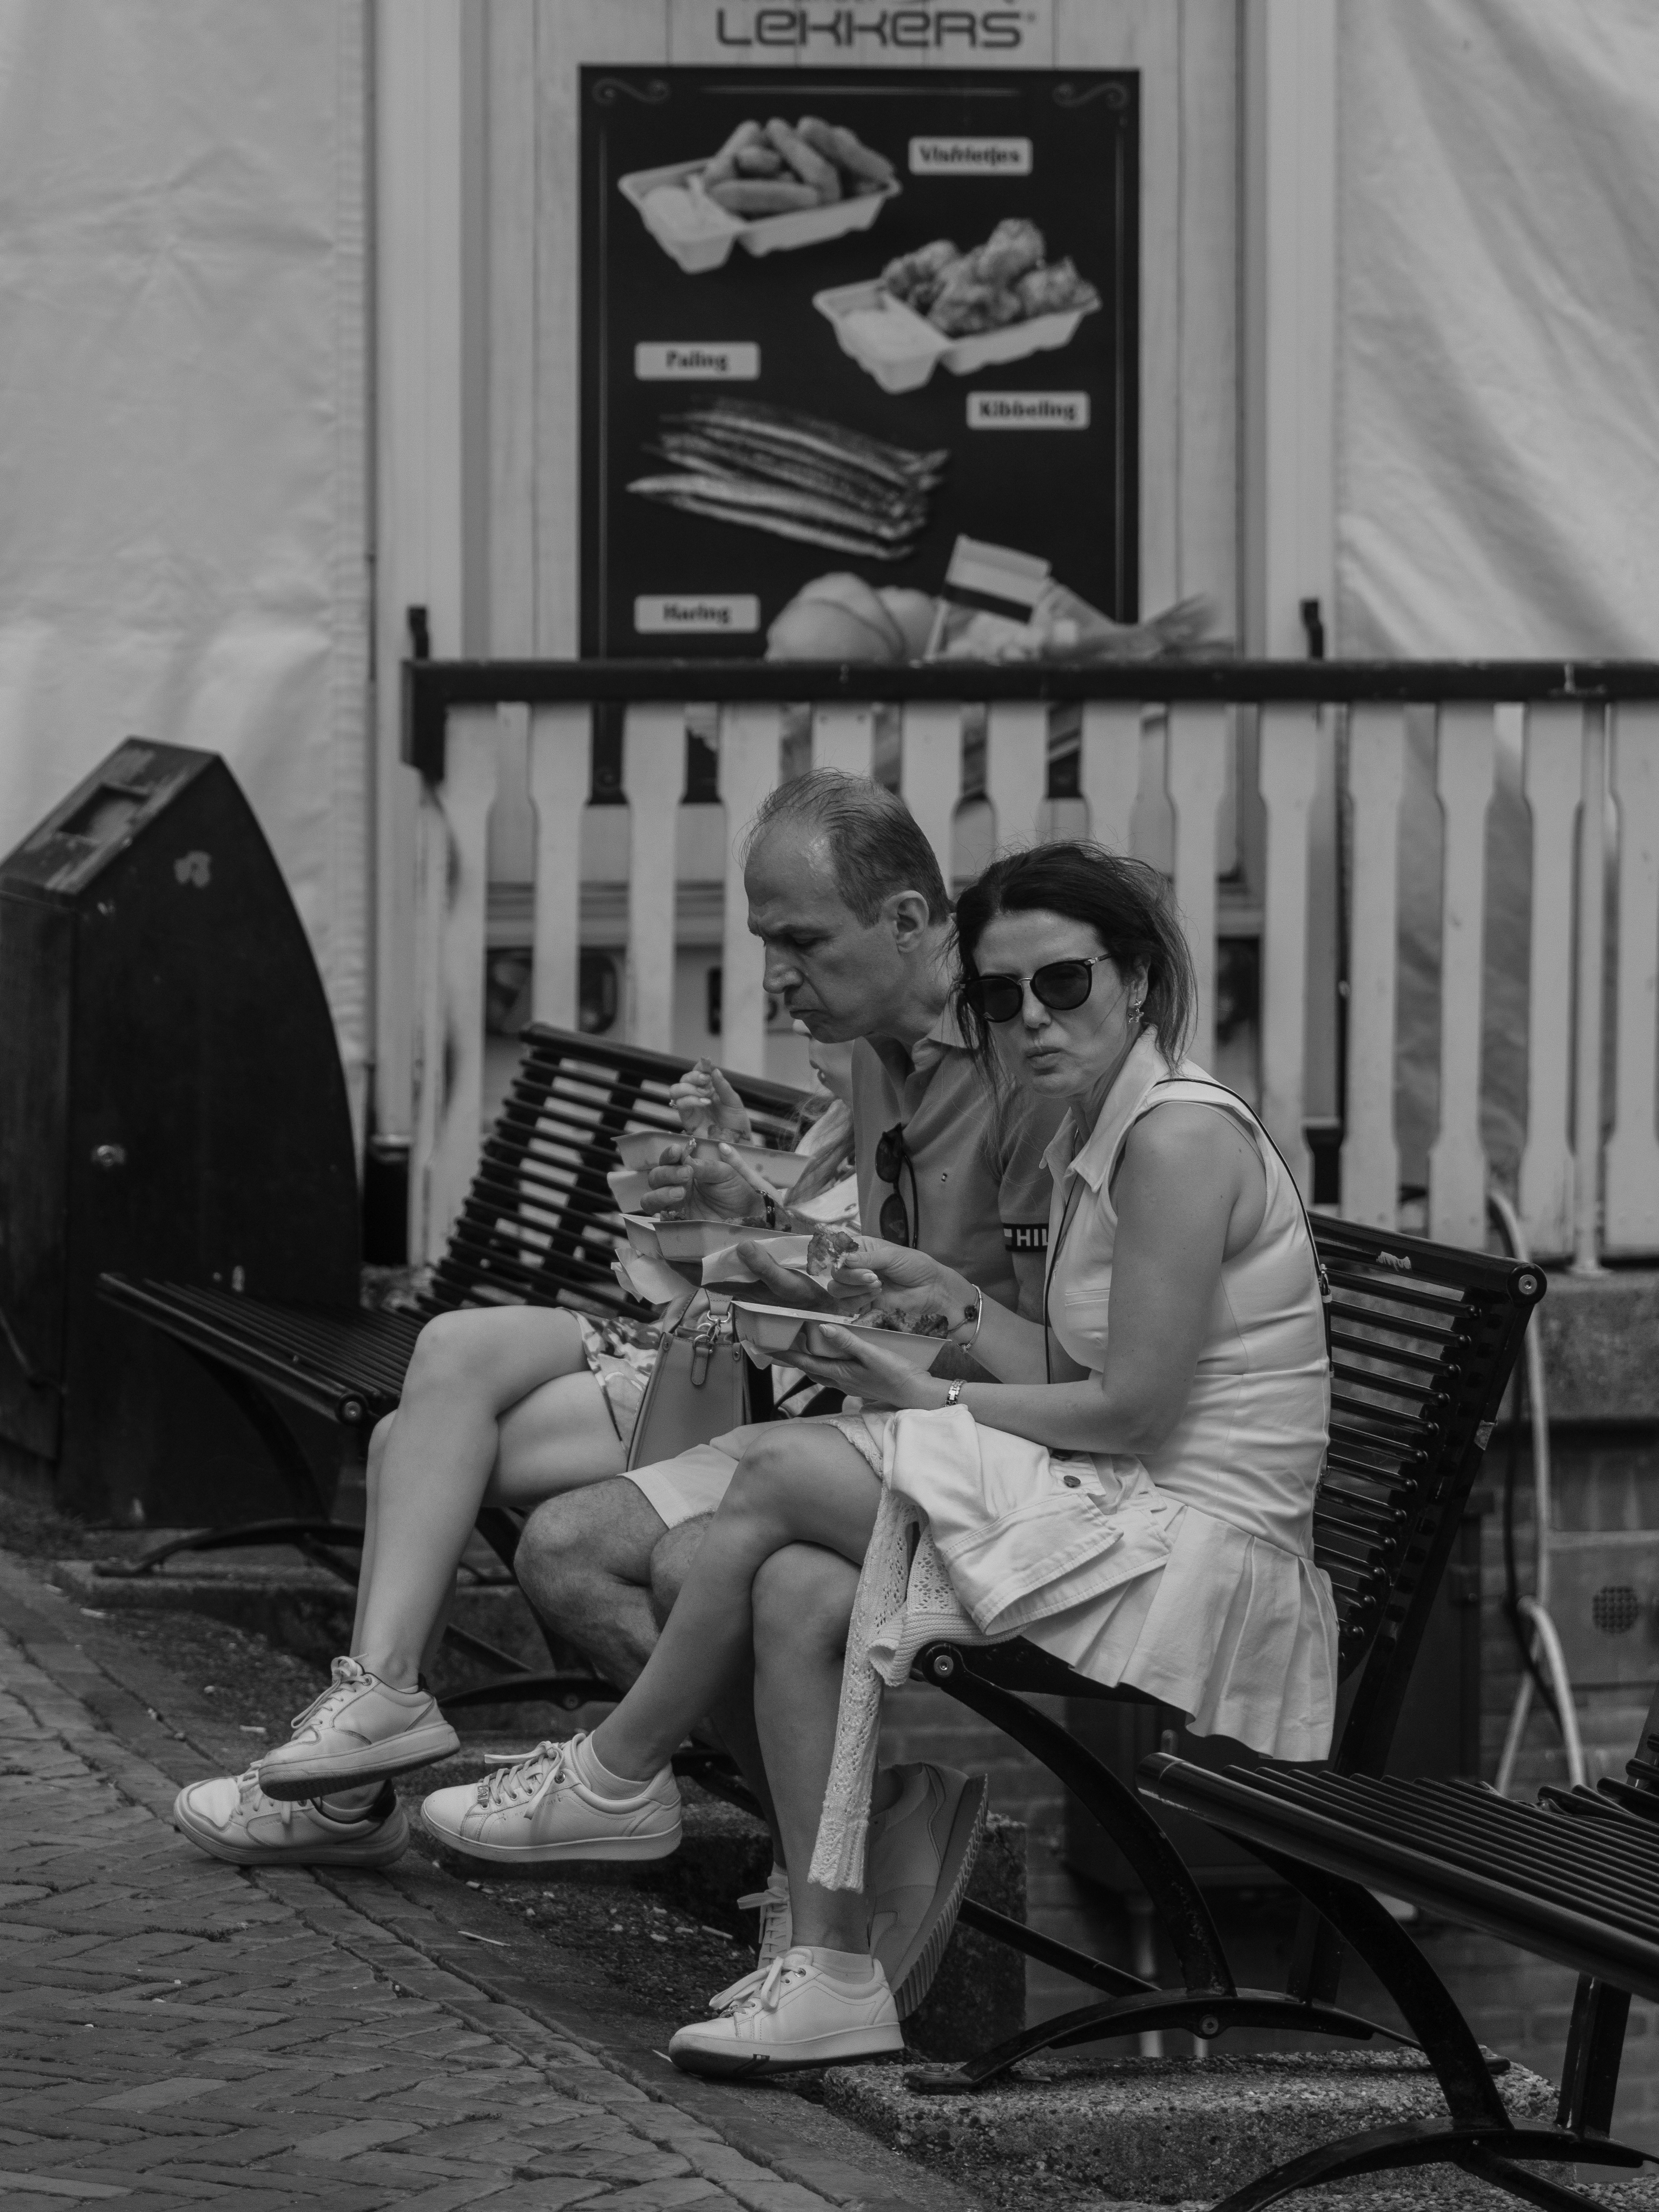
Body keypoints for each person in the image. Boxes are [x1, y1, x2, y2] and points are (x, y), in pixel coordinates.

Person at [416, 842, 1335, 2075]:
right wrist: (950, 1301)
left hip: (1198, 1546)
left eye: (1063, 985)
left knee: (788, 1474)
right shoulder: (1098, 1127)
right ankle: (836, 1968)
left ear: (1136, 980)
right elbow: (1067, 1362)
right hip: (1118, 1500)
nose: (1030, 1022)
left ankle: (619, 1768)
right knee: (797, 1583)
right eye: (1001, 999)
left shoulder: (1172, 1138)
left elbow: (1130, 1411)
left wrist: (921, 1394)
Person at [172, 772, 1060, 2012]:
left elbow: (1047, 1343)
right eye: (766, 945)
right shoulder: (869, 1053)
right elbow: (862, 1264)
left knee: (683, 1545)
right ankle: (399, 1732)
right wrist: (748, 1236)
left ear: (913, 921)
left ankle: (802, 1860)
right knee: (563, 1545)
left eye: (801, 942)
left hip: (972, 1446)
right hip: (837, 1407)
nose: (778, 979)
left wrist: (821, 1297)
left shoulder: (1033, 1066)